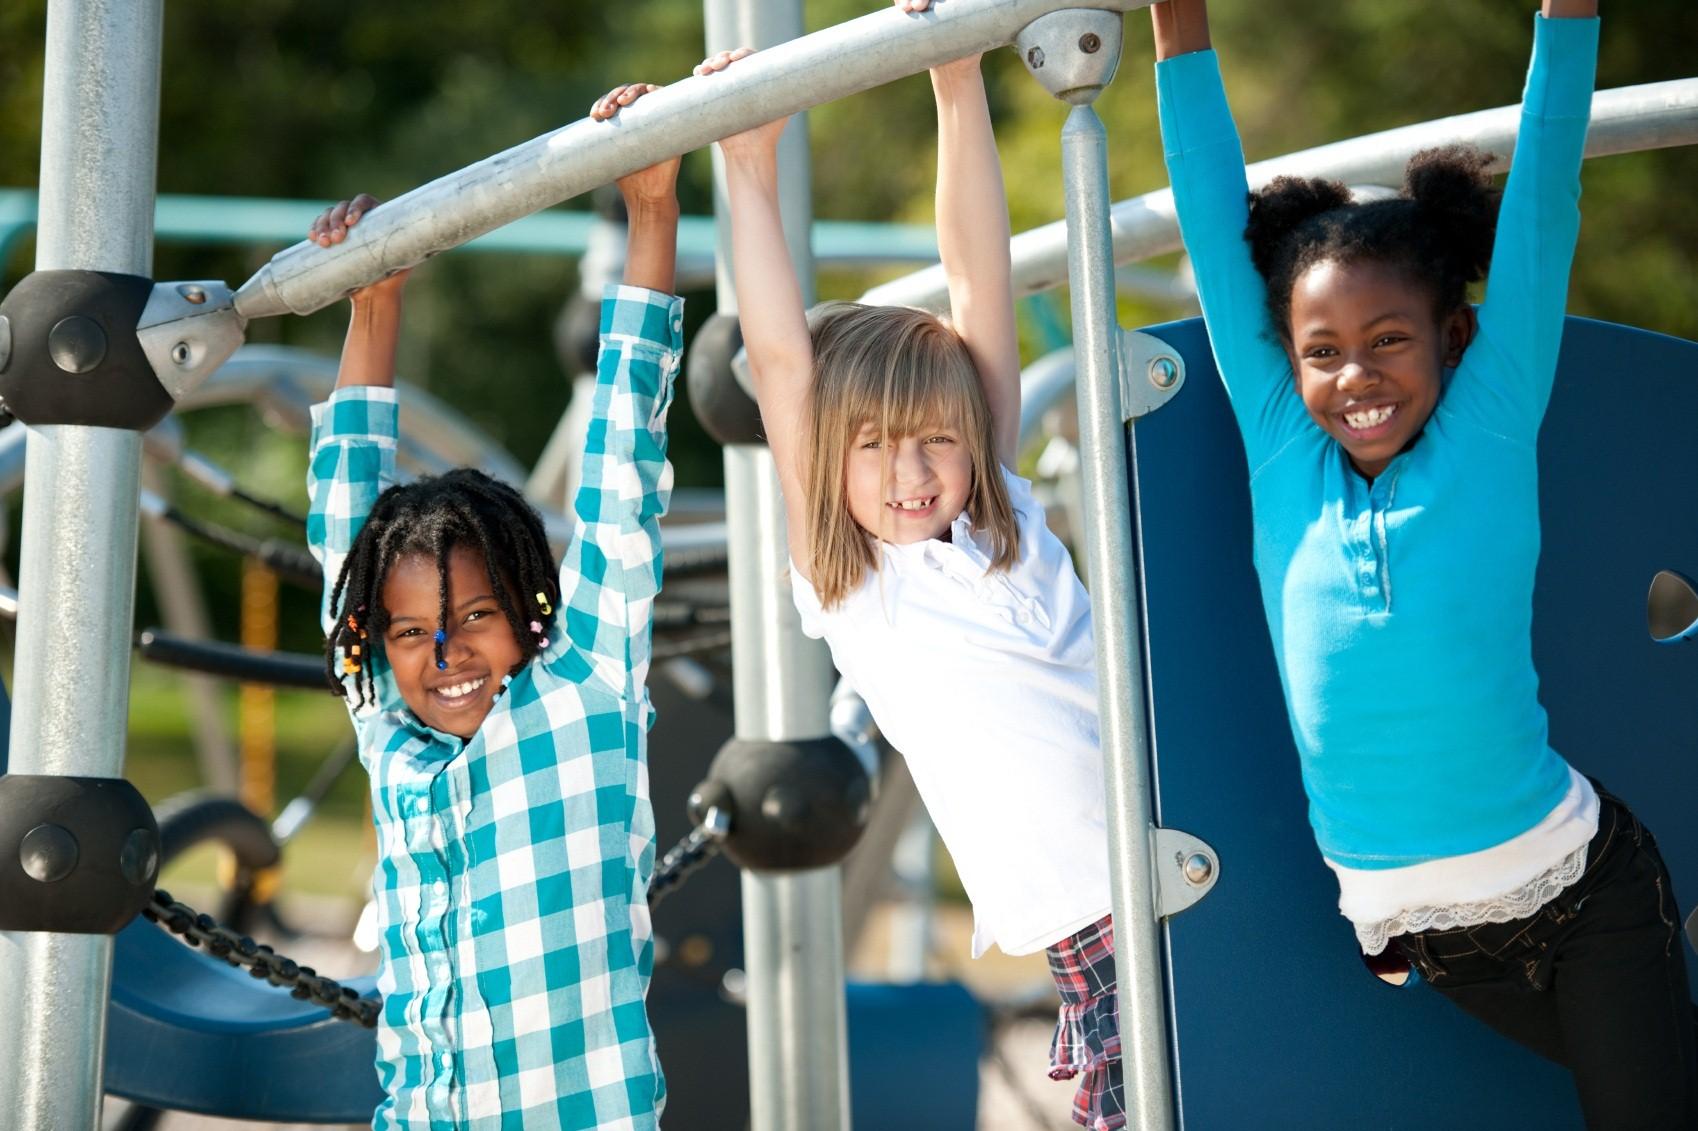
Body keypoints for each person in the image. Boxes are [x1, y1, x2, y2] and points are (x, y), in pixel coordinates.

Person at [1151, 0, 1696, 1122]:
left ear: (1451, 335)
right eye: (1324, 353)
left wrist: (1567, 21)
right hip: (1422, 938)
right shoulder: (1281, 454)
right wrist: (1178, 26)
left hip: (1582, 894)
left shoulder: (1489, 427)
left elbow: (1545, 199)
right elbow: (1214, 225)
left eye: (1388, 339)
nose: (1356, 375)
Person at [628, 2, 1120, 1124]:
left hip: (1192, 838)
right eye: (872, 448)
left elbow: (975, 273)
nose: (911, 473)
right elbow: (785, 359)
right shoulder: (859, 583)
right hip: (1094, 918)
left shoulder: (998, 519)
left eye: (936, 439)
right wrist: (745, 166)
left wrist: (954, 84)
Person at [304, 81, 683, 1129]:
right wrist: (371, 299)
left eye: (475, 616)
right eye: (416, 632)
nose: (446, 652)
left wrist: (651, 212)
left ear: (530, 607)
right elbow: (345, 530)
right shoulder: (385, 721)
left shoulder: (583, 691)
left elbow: (620, 475)